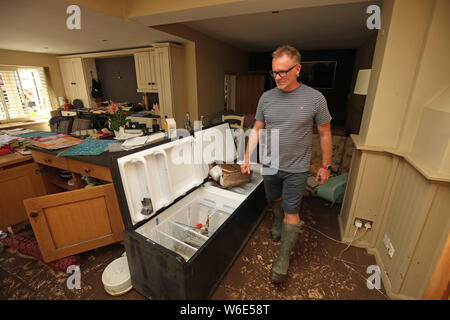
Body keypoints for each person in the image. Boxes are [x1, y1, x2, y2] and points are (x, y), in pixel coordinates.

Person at [241, 45, 333, 283]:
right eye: (275, 72)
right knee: (275, 199)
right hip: (270, 165)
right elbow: (257, 129)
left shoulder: (315, 98)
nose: (278, 77)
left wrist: (325, 165)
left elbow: (325, 133)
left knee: (293, 212)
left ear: (298, 69)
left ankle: (282, 261)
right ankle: (276, 220)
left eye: (283, 72)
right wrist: (247, 157)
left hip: (297, 168)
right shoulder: (266, 97)